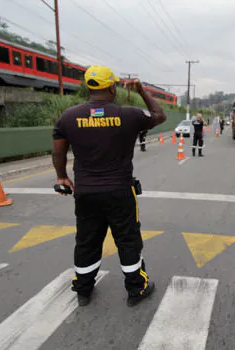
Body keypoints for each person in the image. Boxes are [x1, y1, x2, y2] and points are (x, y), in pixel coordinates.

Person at [52, 65, 166, 307]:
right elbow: (159, 115)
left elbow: (58, 150)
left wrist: (61, 176)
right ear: (112, 87)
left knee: (87, 240)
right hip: (120, 191)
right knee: (127, 240)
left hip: (85, 192)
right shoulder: (129, 115)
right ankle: (136, 289)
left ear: (88, 87)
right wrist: (142, 91)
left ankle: (83, 290)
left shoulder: (69, 117)